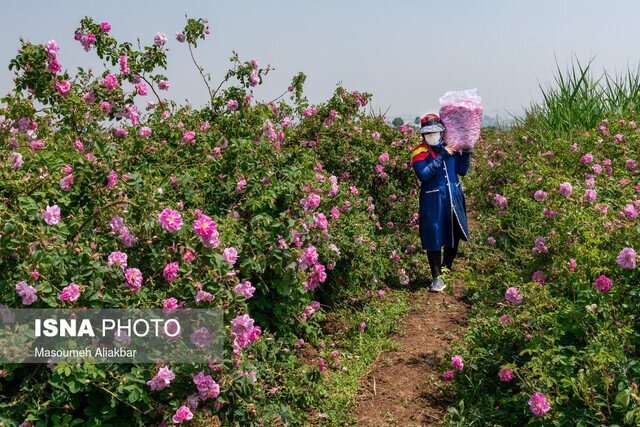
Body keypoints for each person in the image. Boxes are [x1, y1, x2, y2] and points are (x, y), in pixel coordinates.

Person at [411, 114, 472, 292]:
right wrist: (442, 156)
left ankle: (446, 268)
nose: (432, 135)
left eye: (436, 132)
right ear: (423, 135)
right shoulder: (419, 152)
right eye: (428, 133)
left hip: (453, 196)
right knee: (434, 235)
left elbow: (462, 170)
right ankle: (436, 276)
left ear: (442, 132)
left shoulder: (449, 147)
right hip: (433, 199)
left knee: (453, 232)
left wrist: (466, 152)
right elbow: (423, 174)